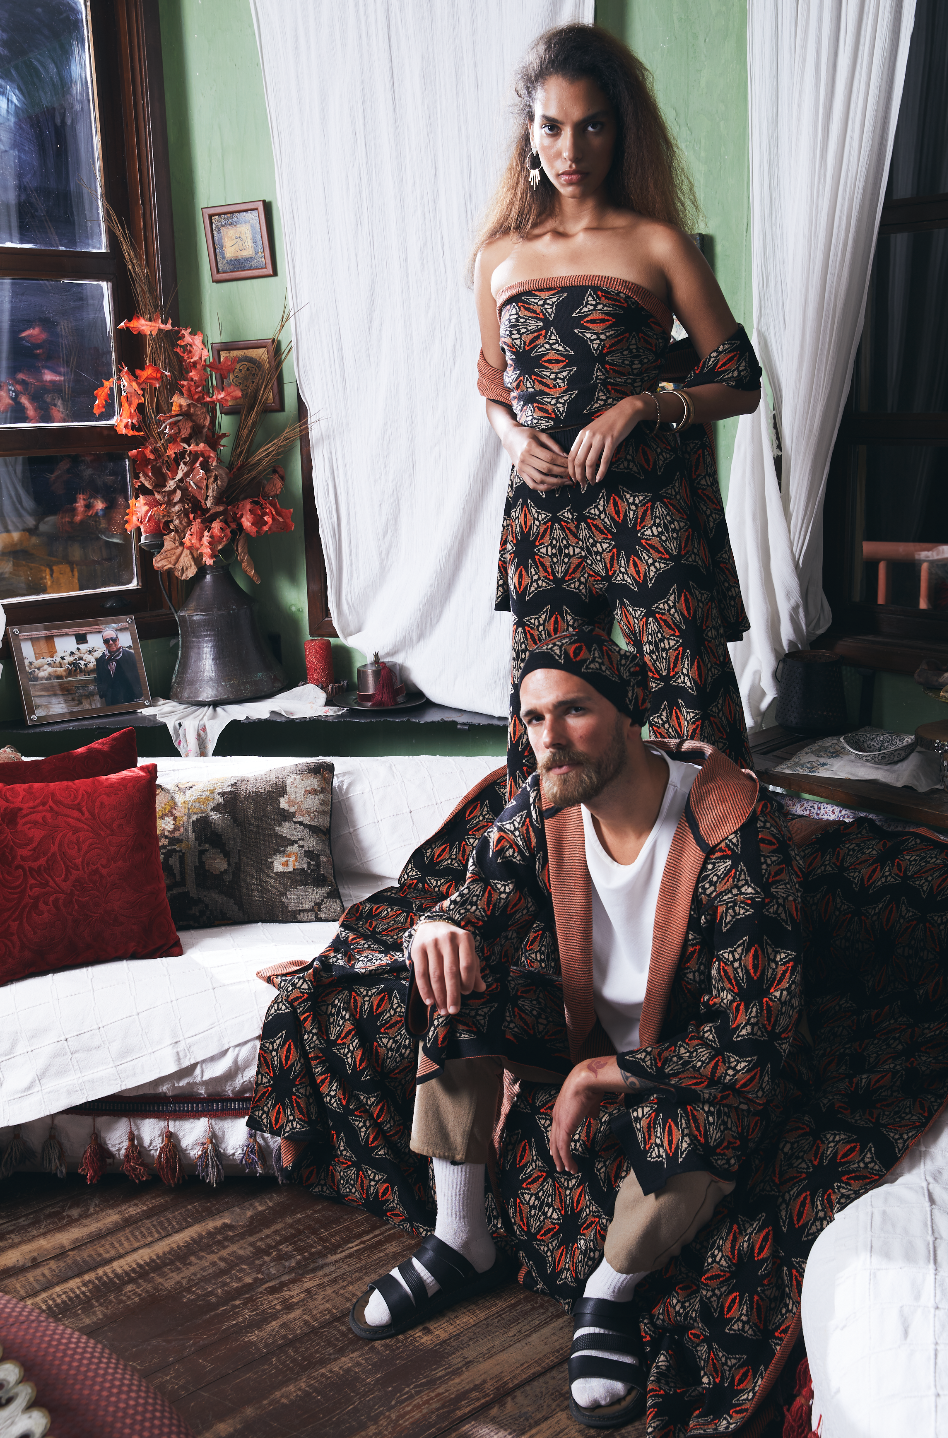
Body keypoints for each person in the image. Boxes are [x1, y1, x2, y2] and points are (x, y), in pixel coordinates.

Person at [248, 627, 948, 1433]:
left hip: (700, 1055)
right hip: (582, 1030)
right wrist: (441, 923)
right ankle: (460, 1240)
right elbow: (481, 898)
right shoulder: (545, 804)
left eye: (574, 711)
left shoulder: (734, 829)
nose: (549, 738)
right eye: (534, 718)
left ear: (630, 711)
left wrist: (600, 1076)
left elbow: (752, 1038)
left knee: (707, 1113)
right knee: (456, 988)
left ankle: (608, 1295)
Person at [471, 23, 760, 794]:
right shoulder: (498, 257)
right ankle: (565, 867)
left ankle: (713, 860)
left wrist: (639, 407)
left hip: (647, 507)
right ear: (530, 133)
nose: (570, 150)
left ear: (620, 130)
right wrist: (510, 438)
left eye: (592, 125)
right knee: (557, 721)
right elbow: (493, 385)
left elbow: (740, 381)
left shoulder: (659, 244)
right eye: (552, 127)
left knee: (687, 698)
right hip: (544, 517)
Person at [94, 629, 142, 706]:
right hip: (111, 701)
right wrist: (102, 691)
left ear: (118, 640)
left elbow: (139, 677)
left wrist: (138, 695)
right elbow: (99, 678)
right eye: (107, 641)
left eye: (113, 639)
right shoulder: (100, 660)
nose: (110, 642)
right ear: (104, 643)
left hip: (130, 699)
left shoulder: (131, 656)